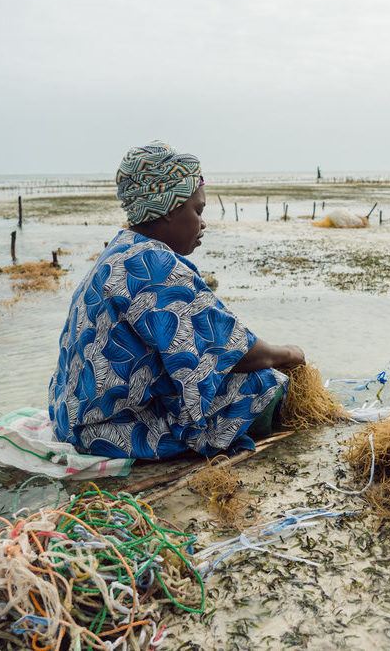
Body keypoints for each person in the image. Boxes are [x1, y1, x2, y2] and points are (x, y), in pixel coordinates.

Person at [48, 141, 305, 460]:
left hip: (68, 419)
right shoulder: (156, 265)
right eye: (198, 210)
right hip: (107, 432)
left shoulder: (119, 251)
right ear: (169, 209)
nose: (203, 222)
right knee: (262, 383)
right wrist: (290, 354)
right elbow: (236, 352)